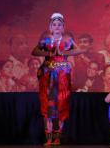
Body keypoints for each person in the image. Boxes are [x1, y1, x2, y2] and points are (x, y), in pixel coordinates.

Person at [31, 12, 87, 146]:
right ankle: (48, 137)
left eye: (59, 25)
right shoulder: (46, 40)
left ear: (63, 27)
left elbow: (78, 51)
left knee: (61, 104)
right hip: (47, 76)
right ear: (50, 27)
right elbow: (35, 51)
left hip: (62, 76)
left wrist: (64, 53)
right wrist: (49, 53)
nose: (57, 27)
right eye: (54, 25)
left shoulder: (67, 40)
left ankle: (57, 137)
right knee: (47, 105)